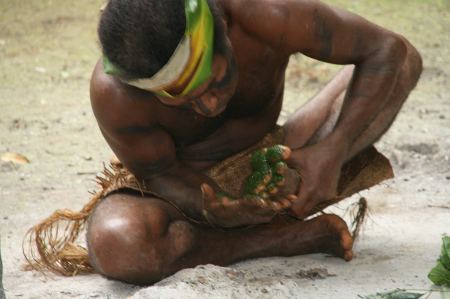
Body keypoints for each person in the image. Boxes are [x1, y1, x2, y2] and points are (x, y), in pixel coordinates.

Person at [86, 0, 422, 285]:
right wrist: (211, 207)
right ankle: (281, 238)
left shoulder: (267, 13)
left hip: (284, 155)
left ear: (223, 28)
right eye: (186, 102)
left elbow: (384, 49)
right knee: (118, 243)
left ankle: (281, 208)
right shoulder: (115, 93)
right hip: (189, 189)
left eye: (214, 83)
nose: (209, 106)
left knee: (404, 61)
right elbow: (160, 173)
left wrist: (333, 149)